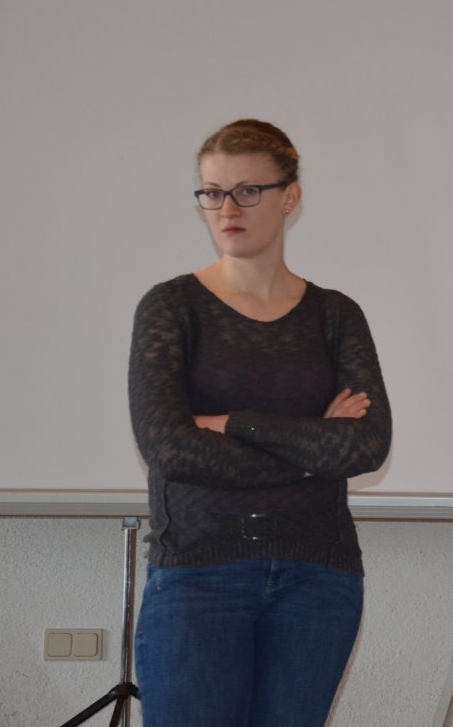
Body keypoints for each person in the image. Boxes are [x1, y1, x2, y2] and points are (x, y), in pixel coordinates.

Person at [127, 118, 392, 726]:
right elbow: (170, 449)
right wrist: (314, 448)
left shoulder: (336, 315)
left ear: (290, 197)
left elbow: (366, 445)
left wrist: (232, 423)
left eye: (247, 191)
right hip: (198, 575)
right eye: (212, 192)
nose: (227, 209)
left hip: (317, 578)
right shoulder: (171, 307)